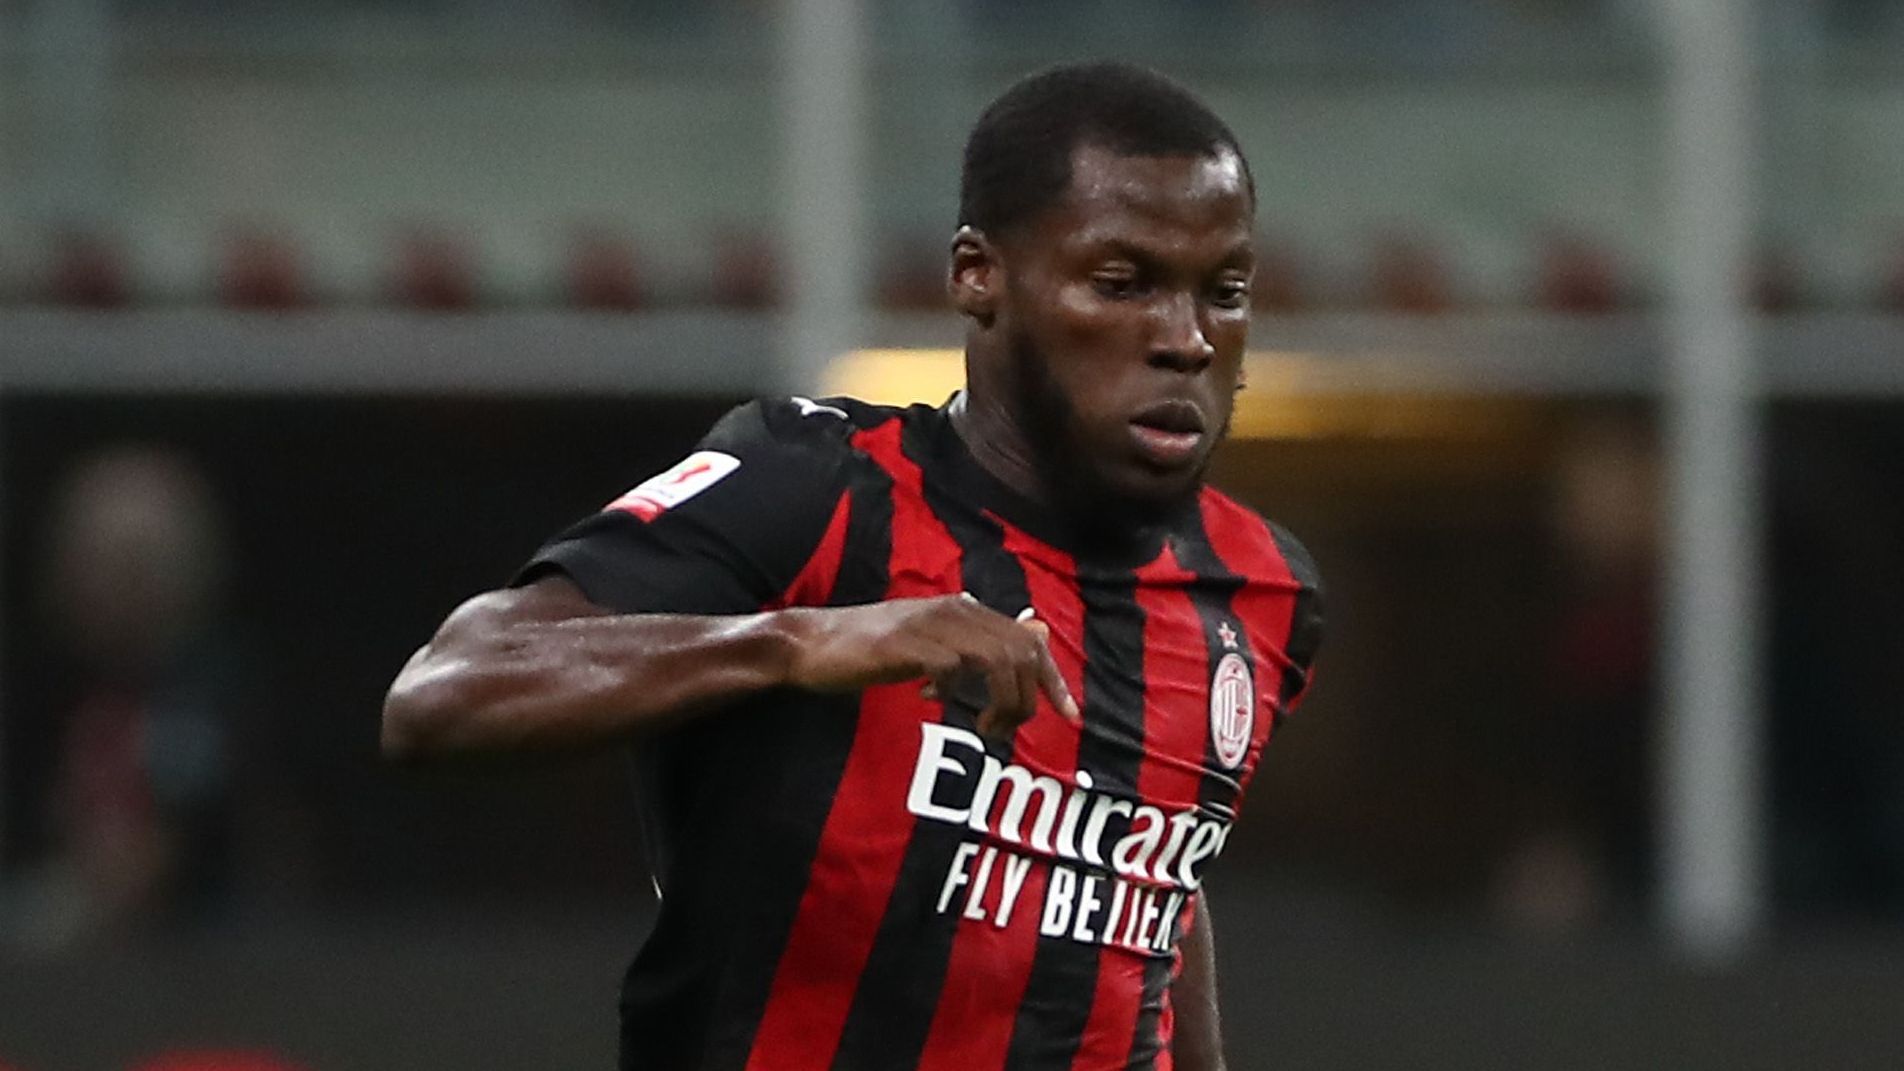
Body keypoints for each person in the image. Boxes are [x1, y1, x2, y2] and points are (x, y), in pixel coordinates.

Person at [382, 62, 1324, 1071]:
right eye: (1121, 283)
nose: (1186, 340)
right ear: (978, 275)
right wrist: (799, 641)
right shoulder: (813, 485)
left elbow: (1155, 883)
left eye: (1224, 293)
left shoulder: (1264, 590)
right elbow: (441, 696)